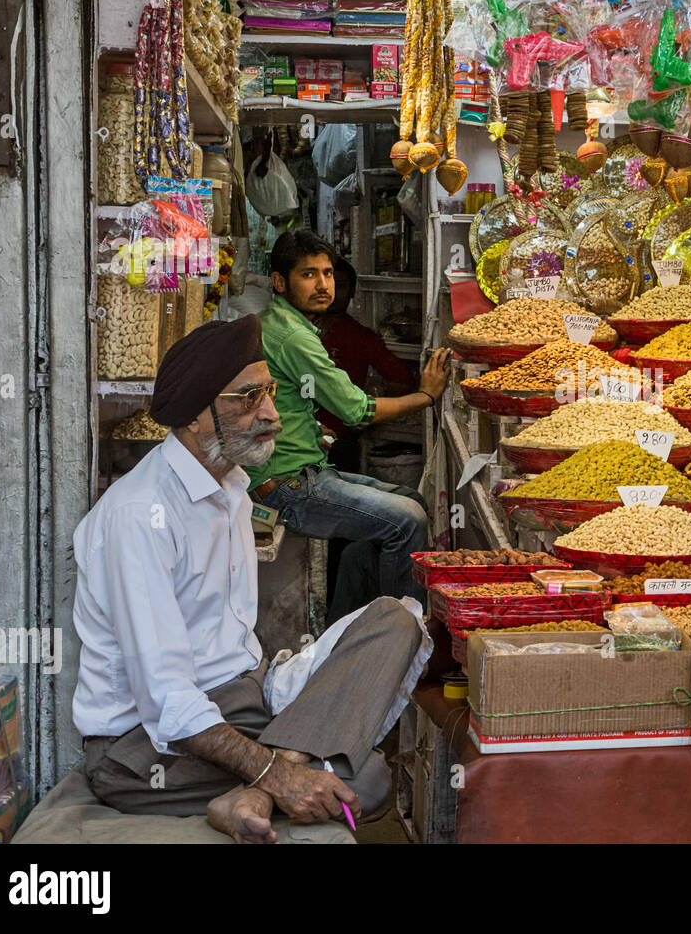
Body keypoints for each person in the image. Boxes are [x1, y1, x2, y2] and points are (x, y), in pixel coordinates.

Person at [71, 318, 428, 843]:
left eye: (270, 392)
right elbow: (168, 702)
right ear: (195, 414)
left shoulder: (232, 487)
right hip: (147, 745)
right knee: (363, 778)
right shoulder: (140, 516)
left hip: (244, 700)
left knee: (396, 620)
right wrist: (281, 773)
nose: (271, 414)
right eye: (247, 398)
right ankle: (275, 774)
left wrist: (270, 775)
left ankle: (252, 796)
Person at [249, 229, 451, 625]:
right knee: (407, 520)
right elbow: (356, 409)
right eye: (309, 275)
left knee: (413, 501)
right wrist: (426, 396)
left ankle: (344, 626)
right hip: (286, 487)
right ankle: (399, 637)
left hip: (305, 468)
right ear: (279, 282)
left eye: (327, 274)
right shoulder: (293, 336)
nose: (323, 285)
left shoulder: (283, 323)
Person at [315, 258, 416, 473]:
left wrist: (368, 416)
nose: (333, 292)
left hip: (341, 437)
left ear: (352, 291)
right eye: (328, 284)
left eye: (341, 286)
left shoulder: (361, 337)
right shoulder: (300, 331)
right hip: (300, 432)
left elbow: (401, 380)